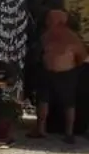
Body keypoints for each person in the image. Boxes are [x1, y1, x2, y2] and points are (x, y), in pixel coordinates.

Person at [30, 9, 88, 143]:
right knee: (43, 100)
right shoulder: (46, 36)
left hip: (67, 73)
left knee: (68, 103)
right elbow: (39, 53)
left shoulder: (71, 37)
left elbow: (82, 56)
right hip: (48, 72)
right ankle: (41, 129)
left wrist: (71, 66)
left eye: (51, 19)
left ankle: (69, 132)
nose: (48, 21)